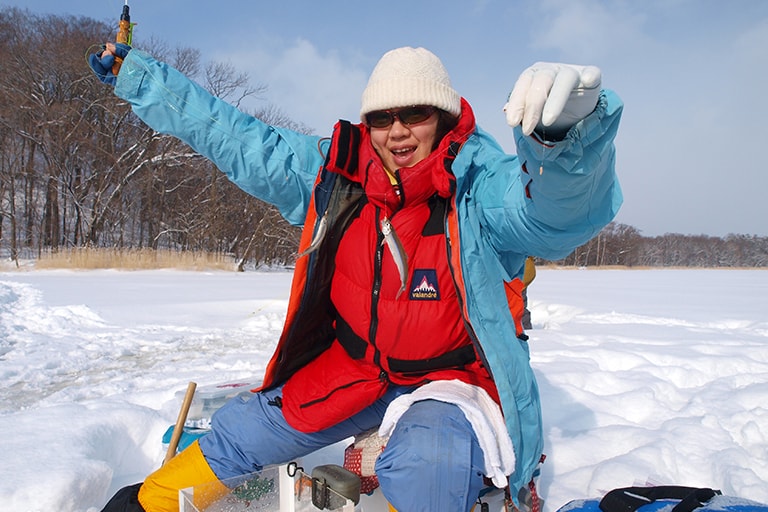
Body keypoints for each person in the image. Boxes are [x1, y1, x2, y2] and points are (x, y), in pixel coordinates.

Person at [90, 42, 622, 512]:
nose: (397, 131)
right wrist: (143, 78)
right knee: (243, 431)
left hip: (451, 380)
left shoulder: (478, 185)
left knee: (425, 464)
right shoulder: (336, 176)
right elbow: (239, 138)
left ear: (442, 115)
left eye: (415, 113)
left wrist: (566, 144)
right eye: (381, 117)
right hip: (357, 367)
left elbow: (554, 217)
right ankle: (148, 503)